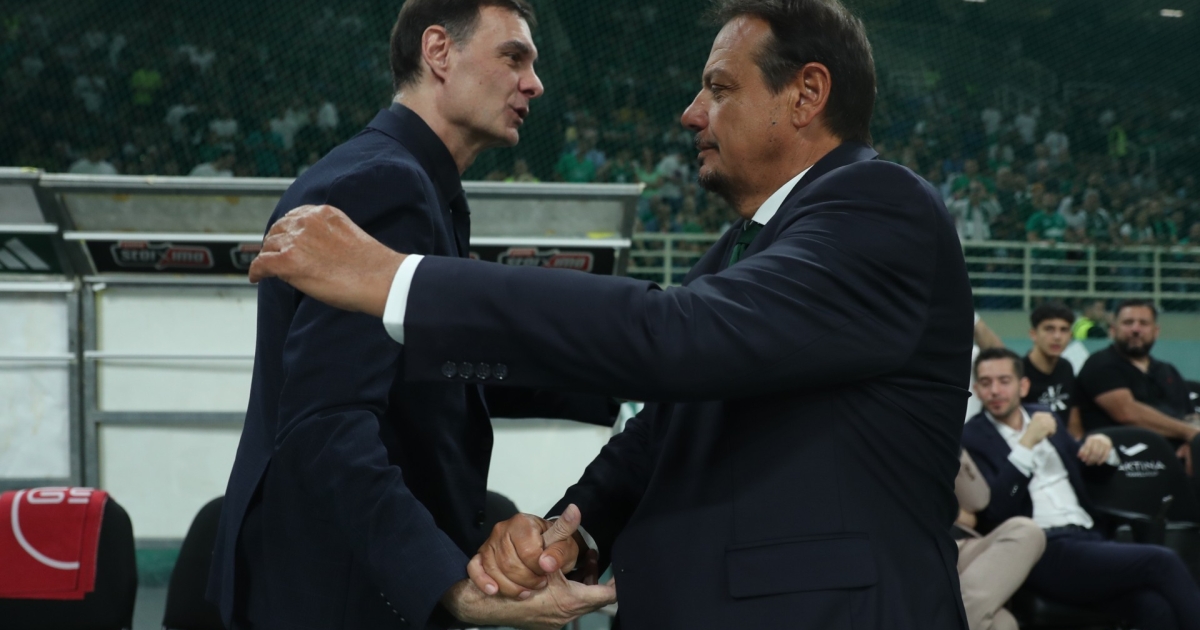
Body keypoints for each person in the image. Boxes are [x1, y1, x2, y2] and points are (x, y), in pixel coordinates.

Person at [249, 0, 977, 627]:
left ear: (806, 93)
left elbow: (675, 337)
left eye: (719, 87)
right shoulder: (742, 249)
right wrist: (573, 533)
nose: (691, 113)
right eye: (514, 57)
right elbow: (665, 424)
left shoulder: (882, 206)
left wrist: (399, 282)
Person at [205, 3, 616, 630]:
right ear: (439, 51)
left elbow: (438, 365)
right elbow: (328, 424)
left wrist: (631, 378)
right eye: (514, 57)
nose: (534, 83)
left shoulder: (412, 182)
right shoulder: (386, 186)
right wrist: (448, 584)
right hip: (338, 596)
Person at [963, 348, 1200, 629]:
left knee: (1153, 606)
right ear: (976, 390)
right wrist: (1026, 445)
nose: (995, 390)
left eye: (1004, 381)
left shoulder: (1045, 417)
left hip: (1087, 538)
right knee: (1161, 561)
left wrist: (1104, 450)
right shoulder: (973, 437)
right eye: (986, 383)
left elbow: (1086, 470)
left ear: (1023, 386)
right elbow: (998, 509)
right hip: (1040, 547)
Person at [1075, 299, 1200, 469]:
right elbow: (1127, 412)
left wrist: (1192, 443)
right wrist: (1190, 433)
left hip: (1175, 461)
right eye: (1128, 323)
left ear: (1156, 331)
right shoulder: (1100, 364)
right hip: (1122, 466)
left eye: (1143, 323)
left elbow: (1190, 417)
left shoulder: (1167, 370)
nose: (1136, 329)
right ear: (1113, 330)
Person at [953, 450, 1045, 630]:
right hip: (920, 553)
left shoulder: (936, 443)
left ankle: (956, 615)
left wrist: (953, 447)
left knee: (1026, 531)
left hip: (959, 548)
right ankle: (957, 616)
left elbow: (978, 501)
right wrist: (951, 510)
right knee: (1003, 624)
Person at [1021, 302, 1076, 416]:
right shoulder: (1019, 371)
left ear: (1070, 336)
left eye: (1064, 330)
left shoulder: (1066, 368)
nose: (1057, 337)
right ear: (1033, 334)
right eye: (1049, 329)